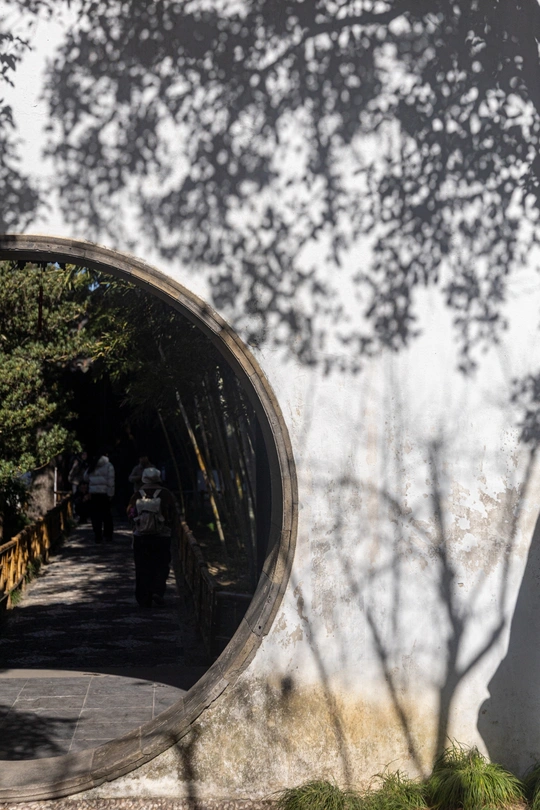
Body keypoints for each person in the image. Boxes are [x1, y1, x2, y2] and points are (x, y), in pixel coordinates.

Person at [127, 466, 176, 608]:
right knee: (161, 564)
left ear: (144, 479)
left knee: (142, 566)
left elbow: (129, 512)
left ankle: (144, 598)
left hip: (141, 536)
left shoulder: (137, 494)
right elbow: (173, 513)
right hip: (162, 535)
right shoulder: (166, 494)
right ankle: (158, 591)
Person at [85, 452, 115, 544]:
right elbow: (111, 481)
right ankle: (108, 535)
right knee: (107, 515)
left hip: (94, 494)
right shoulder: (109, 465)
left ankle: (98, 536)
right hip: (104, 494)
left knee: (95, 516)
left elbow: (85, 477)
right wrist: (111, 494)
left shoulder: (92, 465)